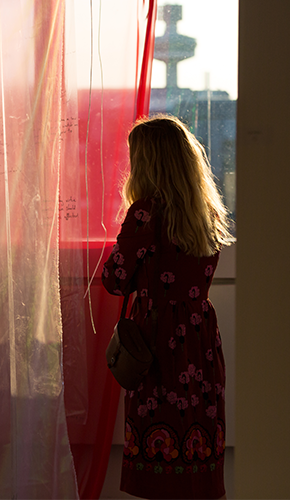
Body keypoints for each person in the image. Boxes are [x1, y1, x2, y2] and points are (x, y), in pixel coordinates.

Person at [102, 115, 231, 499]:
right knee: (197, 434)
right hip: (200, 339)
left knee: (158, 443)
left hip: (158, 343)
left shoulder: (145, 213)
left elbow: (115, 280)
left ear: (148, 163)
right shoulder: (206, 214)